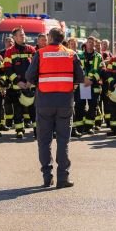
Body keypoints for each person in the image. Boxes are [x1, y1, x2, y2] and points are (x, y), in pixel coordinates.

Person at [25, 27, 85, 188]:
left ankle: (47, 177)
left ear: (50, 38)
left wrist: (42, 81)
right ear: (62, 38)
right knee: (63, 141)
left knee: (44, 141)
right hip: (65, 101)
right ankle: (63, 178)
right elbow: (80, 77)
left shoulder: (41, 53)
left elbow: (29, 76)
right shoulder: (71, 54)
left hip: (44, 101)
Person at [3, 27, 37, 139]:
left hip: (30, 85)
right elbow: (7, 69)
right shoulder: (9, 52)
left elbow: (37, 66)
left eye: (23, 34)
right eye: (20, 35)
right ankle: (19, 130)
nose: (23, 36)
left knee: (34, 110)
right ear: (14, 37)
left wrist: (30, 80)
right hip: (17, 86)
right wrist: (17, 82)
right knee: (18, 110)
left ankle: (37, 130)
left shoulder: (31, 50)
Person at [73, 36, 103, 136]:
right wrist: (82, 80)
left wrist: (92, 80)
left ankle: (89, 127)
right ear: (86, 43)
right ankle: (80, 127)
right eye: (89, 42)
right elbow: (76, 69)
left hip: (93, 85)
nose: (90, 44)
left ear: (95, 44)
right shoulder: (79, 55)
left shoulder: (98, 56)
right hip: (82, 84)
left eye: (92, 42)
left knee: (92, 107)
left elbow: (101, 70)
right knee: (79, 106)